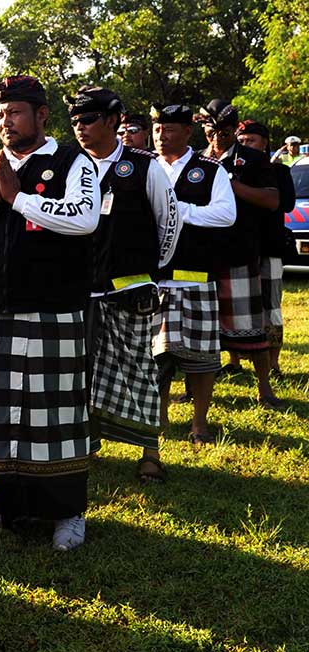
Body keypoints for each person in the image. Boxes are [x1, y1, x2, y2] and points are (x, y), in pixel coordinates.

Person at [0, 75, 99, 551]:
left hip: (53, 308)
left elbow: (84, 218)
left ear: (41, 115)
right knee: (2, 415)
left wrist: (19, 199)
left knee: (54, 416)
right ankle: (8, 506)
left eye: (15, 112)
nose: (6, 122)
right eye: (0, 114)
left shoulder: (72, 161)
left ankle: (67, 512)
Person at [67, 86, 180, 483]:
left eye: (88, 119)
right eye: (75, 121)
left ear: (113, 121)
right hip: (80, 290)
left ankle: (151, 454)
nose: (80, 127)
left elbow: (170, 223)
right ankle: (88, 443)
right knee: (80, 372)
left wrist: (151, 270)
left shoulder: (145, 166)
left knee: (140, 370)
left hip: (131, 291)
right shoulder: (70, 165)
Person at [150, 103, 236, 445]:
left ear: (188, 132)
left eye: (169, 129)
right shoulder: (146, 166)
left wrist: (177, 211)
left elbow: (226, 214)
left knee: (202, 358)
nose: (161, 136)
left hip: (195, 276)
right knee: (157, 356)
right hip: (153, 278)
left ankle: (199, 423)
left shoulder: (210, 170)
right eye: (157, 129)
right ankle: (159, 418)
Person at [197, 99, 282, 408]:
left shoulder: (254, 159)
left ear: (234, 129)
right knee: (201, 330)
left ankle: (264, 388)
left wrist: (232, 185)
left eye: (223, 131)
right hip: (201, 255)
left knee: (252, 327)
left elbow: (272, 200)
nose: (216, 137)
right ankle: (195, 390)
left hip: (240, 252)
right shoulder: (196, 160)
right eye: (210, 131)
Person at [235, 119, 295, 377]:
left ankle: (273, 363)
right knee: (236, 306)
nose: (246, 144)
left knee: (271, 307)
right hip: (238, 248)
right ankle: (234, 360)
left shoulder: (279, 171)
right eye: (241, 140)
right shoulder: (231, 169)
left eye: (251, 140)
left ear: (265, 143)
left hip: (269, 247)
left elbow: (287, 204)